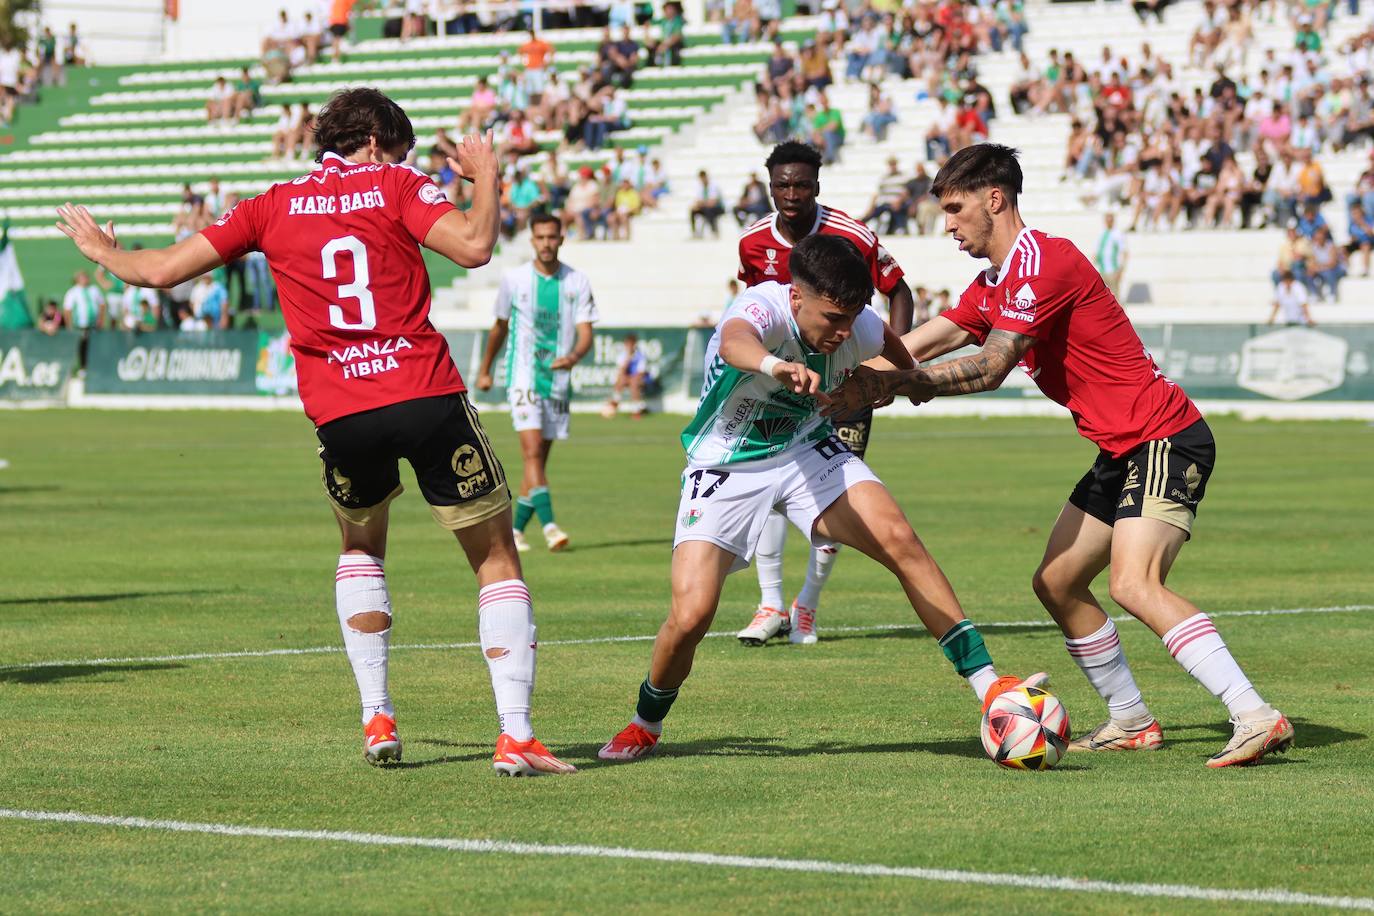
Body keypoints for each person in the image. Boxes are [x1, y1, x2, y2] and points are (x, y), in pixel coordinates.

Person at [56, 87, 575, 777]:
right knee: (495, 555)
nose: (406, 160)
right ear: (374, 143)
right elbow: (477, 247)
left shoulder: (270, 203)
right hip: (422, 393)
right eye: (402, 149)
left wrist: (103, 252)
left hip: (342, 411)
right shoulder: (395, 184)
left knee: (362, 545)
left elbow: (159, 272)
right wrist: (487, 180)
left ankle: (378, 717)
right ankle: (515, 735)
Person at [824, 144, 1293, 768]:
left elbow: (992, 365)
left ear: (996, 200)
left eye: (956, 208)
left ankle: (1255, 713)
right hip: (1121, 447)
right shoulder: (997, 279)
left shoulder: (1046, 261)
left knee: (1133, 582)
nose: (949, 224)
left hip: (1163, 436)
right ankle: (1130, 719)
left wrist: (898, 384)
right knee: (1058, 581)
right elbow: (931, 336)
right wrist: (851, 380)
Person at [597, 234, 1043, 762]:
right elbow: (733, 342)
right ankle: (645, 722)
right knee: (692, 616)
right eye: (832, 317)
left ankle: (989, 685)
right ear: (796, 297)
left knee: (900, 539)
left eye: (852, 316)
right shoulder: (762, 306)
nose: (844, 331)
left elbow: (898, 360)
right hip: (726, 462)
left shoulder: (861, 326)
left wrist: (905, 382)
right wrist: (774, 366)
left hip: (806, 447)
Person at [734, 140, 913, 646]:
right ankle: (770, 604)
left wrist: (880, 369)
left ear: (818, 185)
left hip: (842, 387)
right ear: (770, 186)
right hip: (781, 389)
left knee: (838, 497)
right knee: (768, 490)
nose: (791, 194)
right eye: (782, 185)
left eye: (802, 184)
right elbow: (752, 306)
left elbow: (899, 290)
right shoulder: (752, 243)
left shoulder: (851, 235)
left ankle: (806, 605)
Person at [476, 213, 596, 554]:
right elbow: (499, 327)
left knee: (538, 463)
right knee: (531, 455)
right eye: (540, 237)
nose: (546, 243)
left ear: (561, 239)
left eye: (551, 237)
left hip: (558, 380)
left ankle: (513, 531)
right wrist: (486, 369)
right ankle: (551, 526)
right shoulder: (514, 279)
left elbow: (586, 332)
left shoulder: (577, 282)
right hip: (523, 376)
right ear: (532, 240)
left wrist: (572, 358)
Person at [604, 332, 649, 417]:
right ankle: (614, 402)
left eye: (631, 344)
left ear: (634, 344)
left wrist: (632, 379)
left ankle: (636, 411)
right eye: (627, 344)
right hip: (627, 378)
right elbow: (621, 371)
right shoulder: (622, 355)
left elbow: (641, 373)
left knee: (634, 383)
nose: (629, 346)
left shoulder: (641, 356)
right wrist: (628, 358)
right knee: (621, 379)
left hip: (639, 379)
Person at [1094, 212, 1128, 300]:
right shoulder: (1102, 234)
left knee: (1115, 296)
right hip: (1102, 270)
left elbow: (1124, 252)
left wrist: (1121, 270)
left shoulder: (1117, 234)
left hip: (1113, 270)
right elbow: (1097, 252)